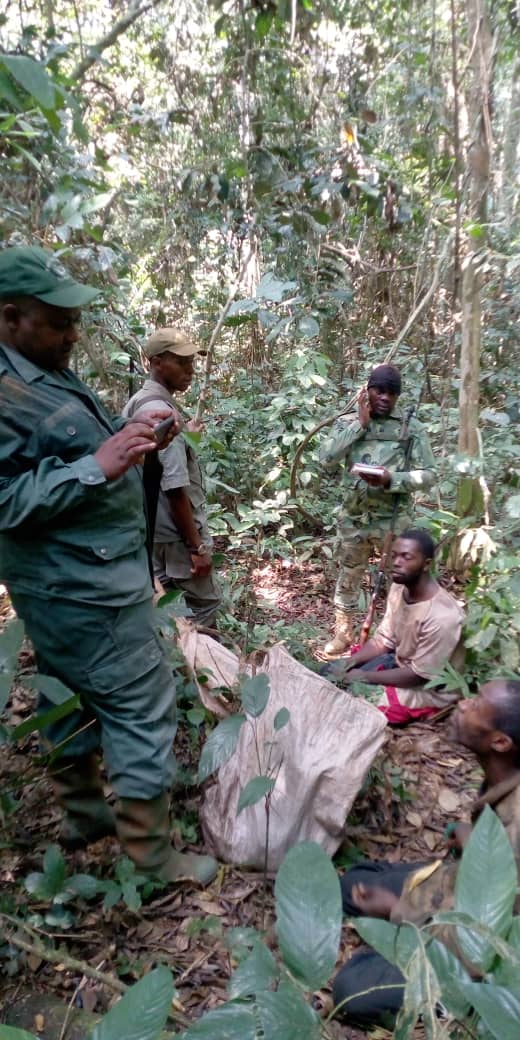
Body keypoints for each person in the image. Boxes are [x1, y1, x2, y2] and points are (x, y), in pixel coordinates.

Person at [0, 245, 217, 885]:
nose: (73, 335)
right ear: (10, 317)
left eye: (75, 322)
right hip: (83, 587)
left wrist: (128, 445)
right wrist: (96, 466)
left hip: (76, 577)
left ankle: (84, 815)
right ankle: (151, 857)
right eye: (58, 323)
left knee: (67, 692)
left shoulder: (40, 368)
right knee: (141, 700)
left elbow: (69, 451)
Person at [332, 677, 520, 1026]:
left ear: (500, 741)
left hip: (483, 941)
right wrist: (474, 840)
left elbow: (484, 934)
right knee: (354, 883)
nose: (463, 704)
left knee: (353, 990)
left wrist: (397, 910)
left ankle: (461, 1003)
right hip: (456, 887)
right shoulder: (504, 779)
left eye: (476, 704)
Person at [319, 364, 436, 658]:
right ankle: (343, 634)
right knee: (349, 575)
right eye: (379, 391)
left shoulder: (411, 427)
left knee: (398, 582)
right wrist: (359, 425)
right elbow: (326, 458)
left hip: (393, 521)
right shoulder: (349, 422)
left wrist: (391, 479)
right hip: (355, 517)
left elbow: (429, 475)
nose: (385, 397)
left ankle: (392, 638)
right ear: (367, 391)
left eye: (392, 393)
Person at [123, 327, 221, 627]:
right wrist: (197, 548)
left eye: (191, 362)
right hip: (176, 540)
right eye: (181, 362)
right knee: (204, 610)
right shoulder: (161, 412)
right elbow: (175, 488)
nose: (190, 370)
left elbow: (155, 464)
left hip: (152, 532)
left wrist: (188, 437)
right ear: (156, 363)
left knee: (165, 611)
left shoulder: (140, 402)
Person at [332, 528, 465, 723]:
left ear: (426, 564)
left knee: (350, 703)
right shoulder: (399, 588)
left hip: (428, 690)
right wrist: (349, 663)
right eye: (394, 555)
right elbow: (384, 640)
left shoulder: (443, 616)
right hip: (399, 663)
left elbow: (419, 675)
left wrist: (364, 676)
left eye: (406, 557)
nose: (396, 562)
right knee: (329, 674)